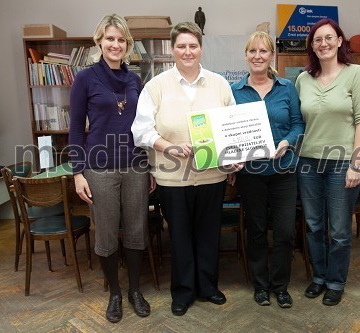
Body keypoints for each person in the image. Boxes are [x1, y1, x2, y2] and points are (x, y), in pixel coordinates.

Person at [131, 21, 240, 316]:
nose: (187, 51)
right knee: (179, 235)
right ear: (172, 49)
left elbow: (231, 128)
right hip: (171, 177)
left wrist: (234, 156)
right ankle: (182, 292)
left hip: (212, 174)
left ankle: (208, 287)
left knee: (208, 233)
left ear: (201, 49)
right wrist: (168, 147)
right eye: (182, 46)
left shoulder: (219, 84)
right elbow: (141, 131)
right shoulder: (155, 86)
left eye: (193, 45)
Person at [68, 14, 153, 323]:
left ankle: (133, 290)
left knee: (135, 231)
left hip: (135, 166)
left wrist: (149, 167)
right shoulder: (85, 78)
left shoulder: (135, 80)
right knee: (105, 233)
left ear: (127, 45)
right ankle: (115, 293)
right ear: (99, 42)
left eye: (121, 40)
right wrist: (78, 173)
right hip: (99, 169)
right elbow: (76, 129)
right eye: (110, 39)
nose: (116, 44)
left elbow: (144, 128)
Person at [295, 18, 360, 306]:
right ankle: (319, 278)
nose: (323, 43)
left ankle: (336, 282)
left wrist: (356, 164)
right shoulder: (303, 79)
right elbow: (297, 121)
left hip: (342, 164)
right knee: (314, 225)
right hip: (309, 164)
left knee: (339, 230)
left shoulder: (356, 73)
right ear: (312, 46)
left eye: (329, 38)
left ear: (340, 41)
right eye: (317, 40)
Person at [231, 31, 305, 308]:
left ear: (271, 55)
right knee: (257, 230)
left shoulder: (287, 87)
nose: (258, 56)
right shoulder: (234, 91)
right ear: (246, 55)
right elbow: (228, 132)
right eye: (253, 51)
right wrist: (231, 158)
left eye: (263, 51)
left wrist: (287, 142)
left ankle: (281, 286)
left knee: (285, 231)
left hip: (284, 171)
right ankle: (261, 286)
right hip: (251, 173)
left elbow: (298, 123)